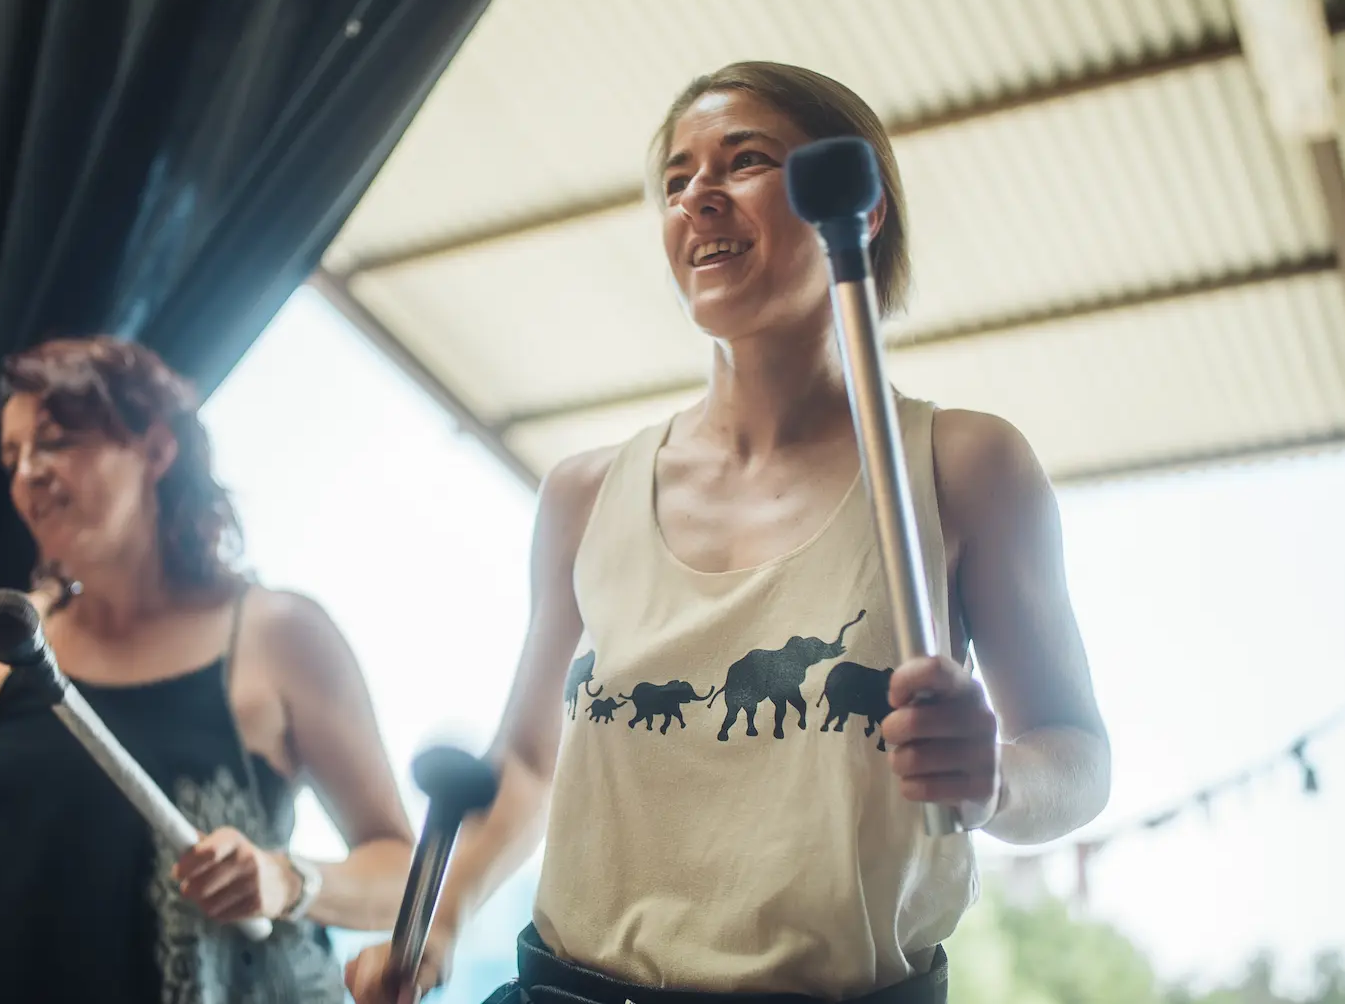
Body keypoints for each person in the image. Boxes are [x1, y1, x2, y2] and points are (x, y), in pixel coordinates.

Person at [345, 61, 1112, 1004]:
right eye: (675, 179)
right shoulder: (584, 495)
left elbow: (1076, 756)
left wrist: (994, 778)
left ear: (859, 211)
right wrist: (441, 920)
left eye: (742, 161)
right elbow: (530, 763)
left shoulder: (964, 466)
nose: (697, 195)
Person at [0, 336, 416, 1004]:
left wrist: (289, 880)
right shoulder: (9, 642)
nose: (27, 473)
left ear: (155, 448)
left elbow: (398, 868)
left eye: (55, 441)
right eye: (12, 457)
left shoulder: (277, 633)